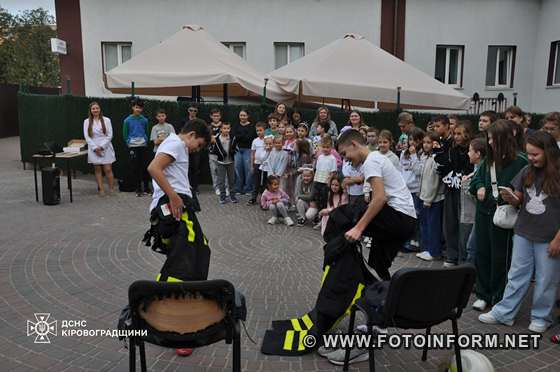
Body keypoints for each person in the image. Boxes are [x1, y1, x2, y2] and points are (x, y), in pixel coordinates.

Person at [478, 131, 560, 333]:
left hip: (549, 237)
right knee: (516, 275)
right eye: (529, 154)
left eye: (535, 154)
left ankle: (542, 317)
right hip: (523, 231)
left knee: (546, 279)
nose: (531, 158)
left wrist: (558, 240)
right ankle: (505, 313)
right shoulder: (527, 170)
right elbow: (520, 199)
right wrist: (512, 198)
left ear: (548, 152)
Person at [146, 118, 211, 357]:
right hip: (173, 207)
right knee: (186, 263)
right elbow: (153, 168)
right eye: (200, 144)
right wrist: (173, 197)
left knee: (197, 254)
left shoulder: (176, 145)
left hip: (180, 206)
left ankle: (175, 316)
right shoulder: (175, 143)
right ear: (191, 135)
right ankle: (173, 322)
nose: (198, 149)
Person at [338, 129, 417, 280]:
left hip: (399, 218)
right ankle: (387, 295)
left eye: (344, 153)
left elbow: (380, 198)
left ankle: (341, 273)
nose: (345, 159)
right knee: (377, 263)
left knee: (346, 215)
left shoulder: (371, 161)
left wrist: (358, 229)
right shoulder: (376, 157)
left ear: (354, 144)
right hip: (408, 221)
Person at [469, 120, 528, 312]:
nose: (491, 142)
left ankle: (498, 294)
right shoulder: (489, 160)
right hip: (484, 213)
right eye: (489, 138)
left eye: (494, 138)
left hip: (505, 215)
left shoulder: (520, 161)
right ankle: (483, 293)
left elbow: (527, 191)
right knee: (482, 253)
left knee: (501, 257)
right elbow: (475, 181)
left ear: (506, 139)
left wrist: (513, 197)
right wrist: (479, 187)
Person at [436, 120, 474, 267]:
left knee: (463, 223)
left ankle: (463, 257)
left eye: (459, 134)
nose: (456, 137)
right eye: (455, 133)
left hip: (465, 190)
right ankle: (452, 255)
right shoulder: (451, 149)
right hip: (451, 188)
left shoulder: (471, 149)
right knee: (450, 222)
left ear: (467, 135)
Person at [417, 131, 445, 261]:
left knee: (433, 226)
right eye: (424, 142)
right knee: (426, 224)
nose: (426, 145)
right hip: (425, 196)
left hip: (434, 198)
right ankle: (428, 249)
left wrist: (428, 199)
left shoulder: (435, 158)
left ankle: (434, 251)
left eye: (429, 142)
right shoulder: (425, 157)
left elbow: (434, 182)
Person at [399, 127, 426, 251]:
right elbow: (401, 171)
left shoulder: (421, 155)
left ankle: (416, 241)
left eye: (416, 140)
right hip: (405, 190)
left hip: (416, 190)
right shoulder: (403, 154)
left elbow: (418, 171)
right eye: (410, 139)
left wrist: (414, 155)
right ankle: (407, 241)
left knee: (417, 216)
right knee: (406, 216)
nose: (412, 143)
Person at [462, 137, 487, 265]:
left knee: (472, 247)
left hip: (480, 215)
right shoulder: (476, 169)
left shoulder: (482, 170)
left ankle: (470, 278)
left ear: (478, 154)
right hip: (475, 215)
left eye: (470, 150)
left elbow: (475, 196)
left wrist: (466, 185)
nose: (468, 153)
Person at [83, 101, 116, 196]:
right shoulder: (86, 121)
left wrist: (101, 147)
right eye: (93, 108)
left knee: (108, 169)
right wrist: (95, 148)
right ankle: (101, 190)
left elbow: (110, 135)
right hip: (93, 147)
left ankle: (111, 189)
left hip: (106, 147)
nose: (95, 110)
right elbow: (87, 136)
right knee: (97, 169)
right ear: (90, 110)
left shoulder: (107, 120)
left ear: (100, 109)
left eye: (97, 108)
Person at [306, 136, 338, 228]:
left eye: (327, 147)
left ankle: (324, 221)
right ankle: (318, 218)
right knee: (317, 200)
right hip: (317, 182)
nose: (325, 149)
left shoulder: (332, 158)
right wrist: (314, 180)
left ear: (331, 147)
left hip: (325, 183)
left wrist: (329, 181)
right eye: (323, 147)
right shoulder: (320, 157)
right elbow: (317, 169)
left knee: (324, 201)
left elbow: (333, 171)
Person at [123, 98, 151, 196]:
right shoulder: (127, 120)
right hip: (133, 146)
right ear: (132, 108)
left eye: (140, 108)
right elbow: (125, 133)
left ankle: (147, 188)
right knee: (135, 167)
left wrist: (145, 140)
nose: (138, 109)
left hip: (143, 145)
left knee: (145, 167)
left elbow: (147, 132)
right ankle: (138, 188)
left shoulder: (145, 120)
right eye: (136, 107)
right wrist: (128, 142)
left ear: (142, 109)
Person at [210, 122, 238, 204]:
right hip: (220, 162)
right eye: (224, 128)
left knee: (231, 180)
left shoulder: (232, 138)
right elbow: (213, 150)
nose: (226, 130)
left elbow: (236, 148)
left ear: (230, 129)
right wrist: (221, 153)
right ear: (221, 129)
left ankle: (233, 196)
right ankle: (223, 197)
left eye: (228, 128)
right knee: (221, 181)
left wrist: (232, 152)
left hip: (230, 162)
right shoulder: (217, 138)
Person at [232, 109, 256, 195]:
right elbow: (234, 135)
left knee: (248, 170)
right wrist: (244, 134)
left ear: (248, 116)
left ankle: (248, 189)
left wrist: (240, 135)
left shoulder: (252, 126)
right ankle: (238, 188)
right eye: (241, 115)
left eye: (244, 115)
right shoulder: (236, 125)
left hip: (248, 150)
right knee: (238, 169)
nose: (242, 117)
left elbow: (250, 137)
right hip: (238, 150)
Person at [248, 122, 267, 205]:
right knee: (256, 181)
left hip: (266, 164)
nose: (259, 132)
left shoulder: (268, 139)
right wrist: (252, 165)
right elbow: (252, 153)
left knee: (265, 181)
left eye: (260, 130)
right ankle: (253, 198)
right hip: (257, 163)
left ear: (264, 130)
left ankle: (264, 198)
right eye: (257, 131)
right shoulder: (255, 141)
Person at [208, 108, 223, 195]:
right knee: (214, 171)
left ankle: (224, 188)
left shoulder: (224, 126)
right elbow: (205, 139)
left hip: (222, 153)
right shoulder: (208, 127)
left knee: (223, 171)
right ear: (211, 116)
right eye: (214, 116)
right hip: (212, 152)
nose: (216, 117)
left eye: (217, 116)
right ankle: (216, 187)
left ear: (220, 116)